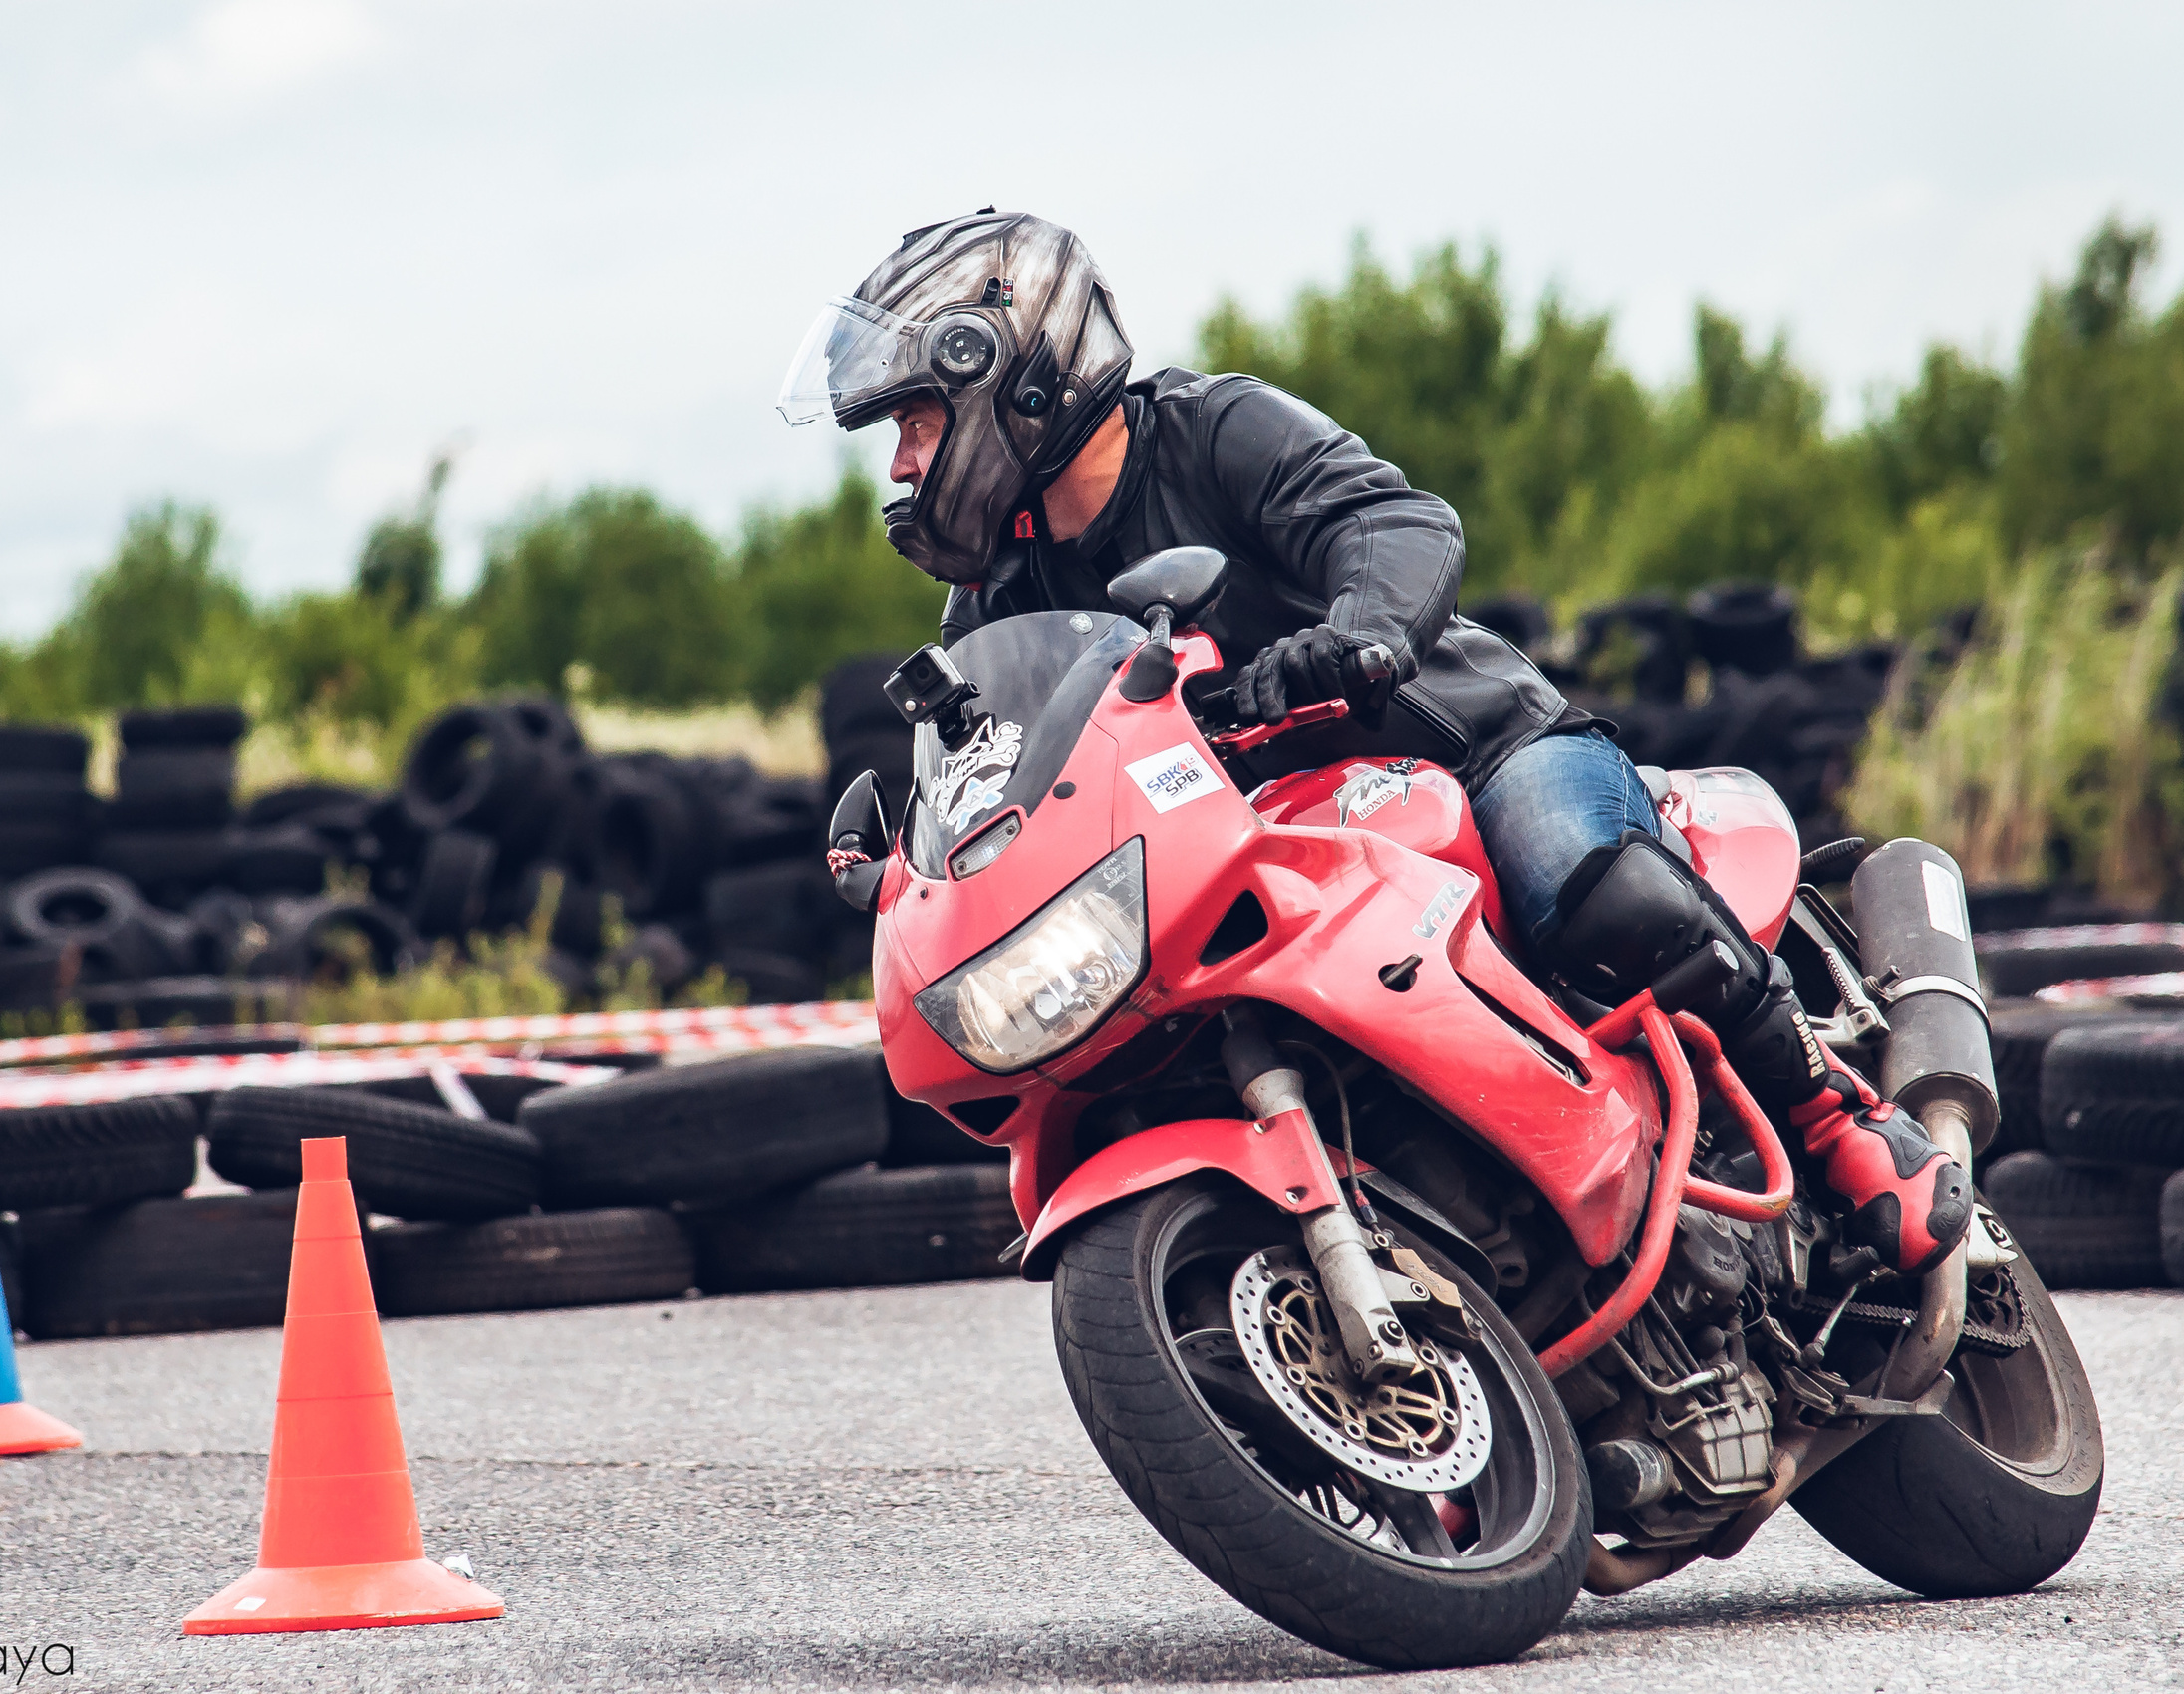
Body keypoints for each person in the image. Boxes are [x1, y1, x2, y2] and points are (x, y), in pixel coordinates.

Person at [775, 210, 1968, 1274]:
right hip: (1271, 832)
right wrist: (922, 871)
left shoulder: (1210, 429)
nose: (901, 465)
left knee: (1594, 889)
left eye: (917, 422)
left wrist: (1359, 632)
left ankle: (1843, 1122)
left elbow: (1391, 521)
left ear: (1015, 380)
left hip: (1470, 751)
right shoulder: (999, 599)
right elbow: (1000, 762)